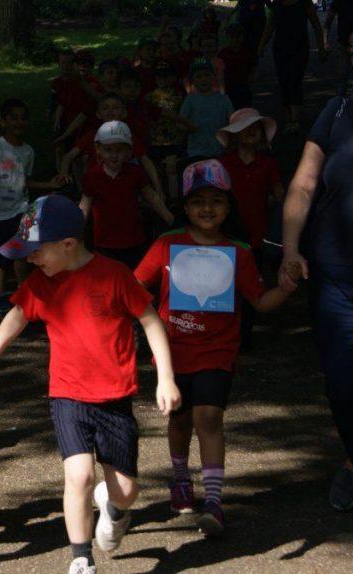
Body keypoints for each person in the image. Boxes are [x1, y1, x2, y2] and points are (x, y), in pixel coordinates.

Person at [0, 194, 181, 574]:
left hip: (115, 398)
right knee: (78, 475)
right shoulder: (40, 283)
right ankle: (81, 557)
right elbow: (16, 317)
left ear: (68, 244)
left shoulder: (114, 275)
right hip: (68, 395)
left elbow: (150, 321)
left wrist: (165, 378)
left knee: (126, 491)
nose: (30, 259)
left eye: (36, 251)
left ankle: (114, 509)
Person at [278, 12, 353, 547]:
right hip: (339, 279)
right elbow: (304, 185)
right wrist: (291, 249)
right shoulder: (339, 111)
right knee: (346, 388)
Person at [135, 160, 299, 538]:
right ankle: (180, 479)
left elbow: (260, 301)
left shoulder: (238, 251)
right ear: (185, 207)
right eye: (197, 201)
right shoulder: (166, 244)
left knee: (208, 417)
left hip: (217, 352)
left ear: (229, 207)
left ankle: (213, 501)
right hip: (172, 352)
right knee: (179, 420)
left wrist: (286, 288)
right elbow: (133, 287)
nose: (206, 209)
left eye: (216, 201)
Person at [0, 99, 61, 301]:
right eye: (14, 118)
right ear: (3, 122)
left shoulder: (28, 151)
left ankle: (23, 292)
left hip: (21, 209)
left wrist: (49, 185)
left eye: (23, 118)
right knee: (1, 257)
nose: (19, 122)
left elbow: (25, 181)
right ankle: (1, 295)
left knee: (21, 251)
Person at [80, 121, 175, 271]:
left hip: (133, 239)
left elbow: (151, 196)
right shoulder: (92, 176)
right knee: (107, 277)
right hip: (104, 241)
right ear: (98, 150)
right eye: (108, 150)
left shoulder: (135, 172)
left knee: (133, 276)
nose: (114, 155)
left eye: (119, 150)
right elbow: (84, 206)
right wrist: (76, 230)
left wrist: (170, 220)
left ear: (128, 151)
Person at [58, 93, 165, 198]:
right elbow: (69, 156)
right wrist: (63, 172)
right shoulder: (92, 135)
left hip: (123, 185)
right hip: (97, 185)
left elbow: (146, 161)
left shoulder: (128, 136)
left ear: (124, 113)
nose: (110, 111)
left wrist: (158, 189)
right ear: (98, 114)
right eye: (105, 108)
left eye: (115, 108)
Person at [217, 109, 284, 260]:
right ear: (235, 135)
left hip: (259, 230)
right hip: (227, 229)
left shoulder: (269, 164)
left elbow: (280, 196)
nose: (251, 130)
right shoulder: (222, 164)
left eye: (256, 127)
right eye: (245, 127)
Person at [258, 0, 328, 133]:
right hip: (280, 49)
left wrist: (321, 48)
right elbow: (270, 26)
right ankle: (288, 116)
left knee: (295, 81)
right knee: (283, 81)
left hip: (300, 49)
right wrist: (261, 45)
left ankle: (294, 120)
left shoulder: (305, 3)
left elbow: (316, 26)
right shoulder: (277, 4)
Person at [147, 60, 191, 203]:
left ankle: (174, 201)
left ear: (172, 77)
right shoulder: (150, 96)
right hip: (155, 139)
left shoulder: (179, 95)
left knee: (172, 169)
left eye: (165, 76)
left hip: (174, 139)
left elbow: (182, 114)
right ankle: (160, 200)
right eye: (158, 76)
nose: (162, 79)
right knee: (158, 171)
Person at [180, 58, 234, 161]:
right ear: (192, 80)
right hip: (197, 151)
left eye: (207, 75)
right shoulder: (190, 99)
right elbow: (180, 122)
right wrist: (189, 127)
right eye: (198, 76)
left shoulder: (223, 99)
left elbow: (233, 122)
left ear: (213, 77)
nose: (203, 79)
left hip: (220, 150)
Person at [220, 23, 260, 109]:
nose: (234, 40)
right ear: (227, 37)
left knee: (244, 108)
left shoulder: (247, 52)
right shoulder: (223, 53)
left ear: (242, 37)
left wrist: (253, 76)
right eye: (232, 37)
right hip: (228, 86)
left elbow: (253, 65)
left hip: (243, 85)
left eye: (237, 37)